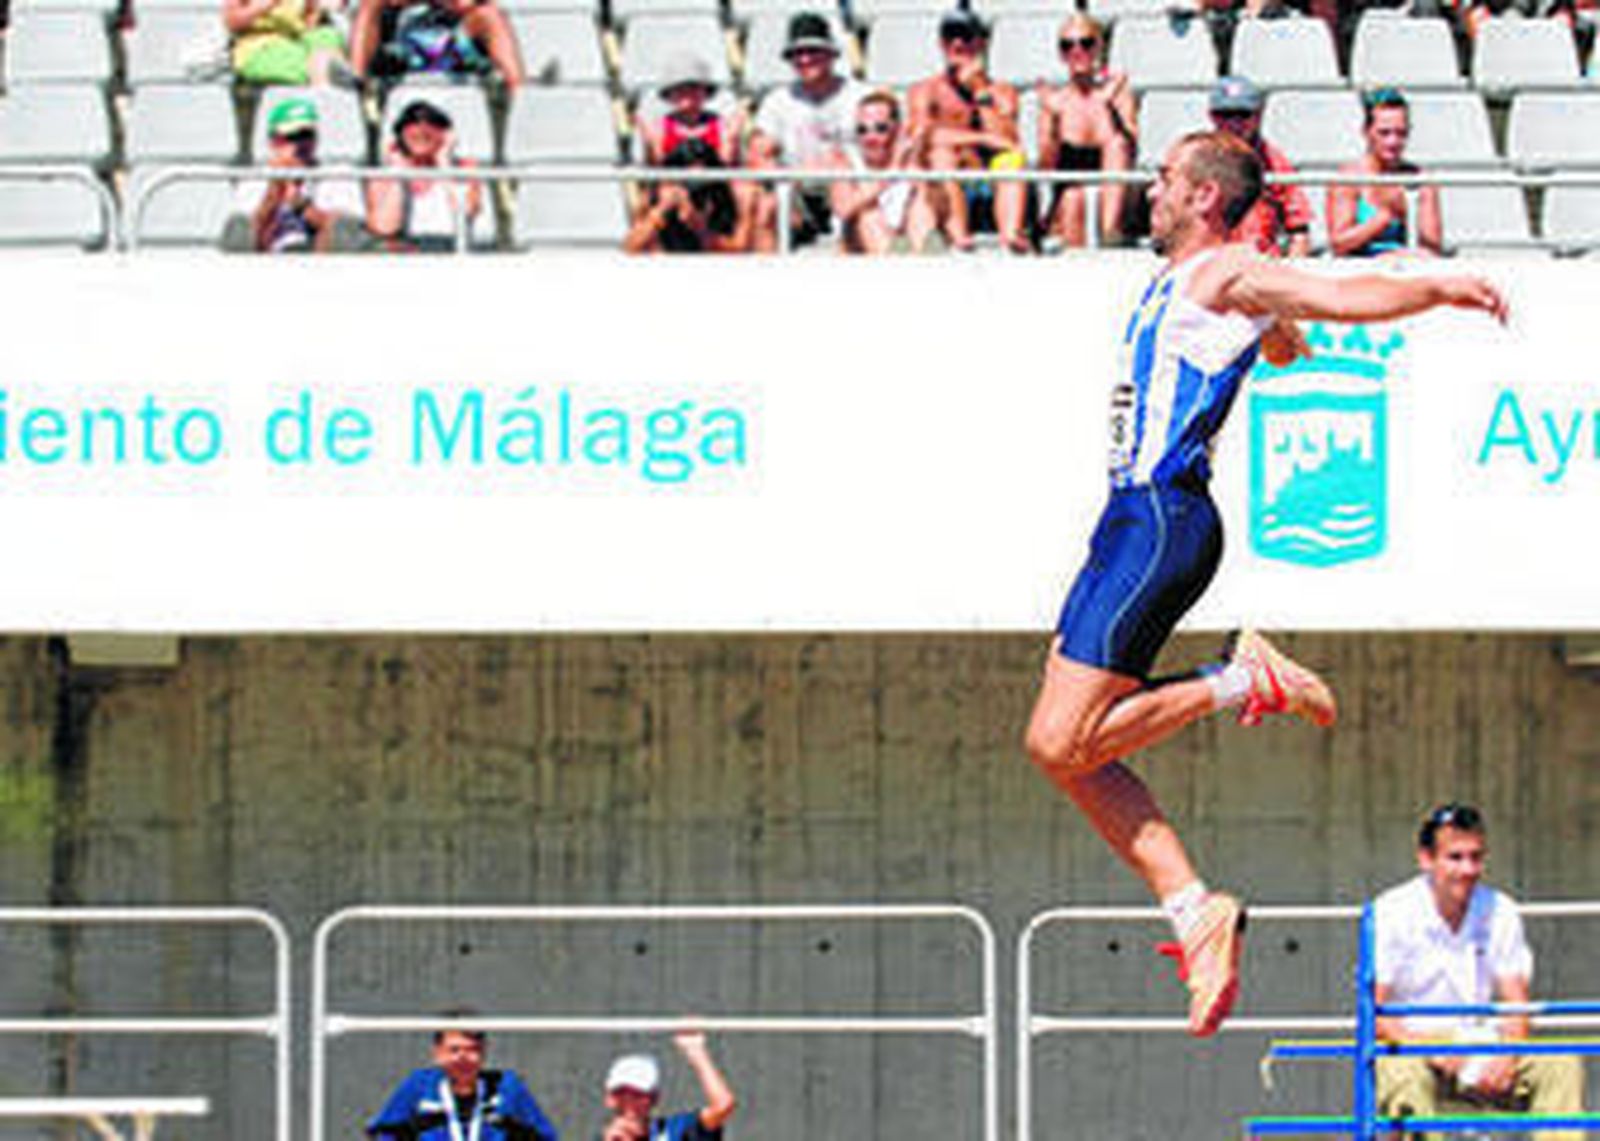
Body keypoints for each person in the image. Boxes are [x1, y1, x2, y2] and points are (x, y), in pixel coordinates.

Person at [1022, 129, 1507, 1039]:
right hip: (1129, 520)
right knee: (1063, 748)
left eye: (1166, 178)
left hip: (1159, 520)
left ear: (1207, 197)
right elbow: (1284, 348)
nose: (1151, 189)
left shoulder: (1225, 269)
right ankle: (1191, 906)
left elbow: (1338, 296)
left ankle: (1245, 678)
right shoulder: (1206, 284)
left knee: (1064, 739)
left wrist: (1438, 285)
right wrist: (1268, 322)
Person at [1374, 804, 1586, 1140]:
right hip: (1414, 1042)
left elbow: (1516, 1001)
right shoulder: (1390, 912)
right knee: (1405, 1077)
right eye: (1455, 858)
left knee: (1560, 1064)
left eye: (1476, 857)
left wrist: (1509, 1053)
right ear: (1426, 860)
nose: (1468, 869)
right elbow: (1376, 1013)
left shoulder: (1500, 910)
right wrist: (1428, 1049)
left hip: (1480, 1039)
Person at [907, 9, 1031, 254]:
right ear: (941, 43)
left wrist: (979, 90)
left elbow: (1008, 141)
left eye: (966, 36)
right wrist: (983, 138)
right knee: (941, 155)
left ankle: (1011, 238)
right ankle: (960, 239)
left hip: (987, 176)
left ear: (981, 43)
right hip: (947, 175)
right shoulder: (925, 91)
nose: (958, 43)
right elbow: (924, 136)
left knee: (1011, 162)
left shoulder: (1001, 92)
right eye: (950, 36)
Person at [749, 12, 870, 249]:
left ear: (831, 55)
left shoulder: (861, 96)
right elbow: (758, 154)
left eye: (813, 51)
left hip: (851, 185)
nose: (804, 59)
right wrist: (787, 190)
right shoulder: (777, 100)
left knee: (851, 195)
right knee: (765, 207)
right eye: (797, 54)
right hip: (799, 189)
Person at [1037, 13, 1136, 248]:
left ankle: (1111, 232)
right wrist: (1052, 119)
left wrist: (1109, 107)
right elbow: (1046, 165)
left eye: (1086, 43)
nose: (1077, 50)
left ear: (1099, 47)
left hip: (1117, 189)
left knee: (1116, 145)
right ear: (1061, 54)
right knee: (1073, 200)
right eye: (1068, 45)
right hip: (1068, 183)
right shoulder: (1056, 101)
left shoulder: (1118, 94)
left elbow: (1131, 149)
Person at [367, 1026, 560, 1140]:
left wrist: (515, 1130)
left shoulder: (507, 1086)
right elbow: (382, 1134)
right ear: (437, 1054)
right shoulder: (418, 1085)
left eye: (472, 1050)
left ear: (483, 1054)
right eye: (454, 1050)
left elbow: (546, 1137)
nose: (463, 1058)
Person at [229, 97, 364, 252]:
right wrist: (273, 196)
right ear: (273, 142)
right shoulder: (253, 179)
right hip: (265, 263)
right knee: (241, 230)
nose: (300, 145)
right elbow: (246, 237)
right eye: (291, 137)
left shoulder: (338, 175)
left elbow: (346, 232)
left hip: (321, 264)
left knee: (341, 228)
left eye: (306, 135)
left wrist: (303, 207)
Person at [1327, 88, 1442, 258]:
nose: (1393, 142)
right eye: (1384, 133)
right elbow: (1339, 245)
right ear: (1366, 132)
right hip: (1357, 271)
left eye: (1401, 133)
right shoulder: (1348, 179)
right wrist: (1383, 219)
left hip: (1406, 268)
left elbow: (1432, 249)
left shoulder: (1420, 181)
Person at [1206, 75, 1311, 258]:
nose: (1233, 124)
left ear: (1258, 116)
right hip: (1210, 263)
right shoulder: (1195, 159)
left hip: (1261, 266)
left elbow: (1299, 229)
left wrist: (1289, 268)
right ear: (1211, 117)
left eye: (1243, 115)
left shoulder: (1274, 161)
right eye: (1224, 114)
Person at [366, 98, 483, 253]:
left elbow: (466, 213)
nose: (421, 130)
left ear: (446, 133)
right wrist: (398, 173)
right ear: (400, 134)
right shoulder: (385, 176)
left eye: (431, 123)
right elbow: (385, 228)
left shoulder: (463, 168)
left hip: (449, 251)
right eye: (412, 123)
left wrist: (443, 162)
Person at [830, 89, 939, 254]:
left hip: (903, 235)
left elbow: (933, 203)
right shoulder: (845, 160)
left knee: (920, 207)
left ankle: (925, 258)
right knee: (868, 214)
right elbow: (844, 209)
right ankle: (895, 260)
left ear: (897, 129)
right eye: (862, 129)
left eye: (880, 128)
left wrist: (912, 156)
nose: (870, 137)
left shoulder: (911, 161)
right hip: (859, 245)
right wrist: (893, 170)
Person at [624, 137, 759, 254]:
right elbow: (631, 247)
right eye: (687, 181)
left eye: (701, 182)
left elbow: (740, 249)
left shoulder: (731, 196)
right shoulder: (655, 196)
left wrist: (700, 229)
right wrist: (662, 209)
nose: (694, 189)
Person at [349, 0, 525, 85]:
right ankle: (357, 81)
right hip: (404, 49)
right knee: (370, 3)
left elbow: (466, 3)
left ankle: (518, 90)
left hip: (453, 45)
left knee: (490, 16)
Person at [600, 1031, 736, 1141]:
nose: (630, 1103)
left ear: (654, 1098)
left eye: (638, 1095)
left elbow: (722, 1105)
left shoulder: (676, 1130)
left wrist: (695, 1051)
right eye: (621, 1094)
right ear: (609, 1099)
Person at [636, 54, 740, 169]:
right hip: (674, 183)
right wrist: (649, 144)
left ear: (705, 92)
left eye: (693, 87)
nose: (687, 93)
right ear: (670, 94)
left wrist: (731, 139)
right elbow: (656, 167)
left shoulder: (721, 125)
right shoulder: (660, 127)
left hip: (713, 184)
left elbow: (726, 164)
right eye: (680, 88)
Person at [224, 0, 350, 86]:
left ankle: (331, 74)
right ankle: (327, 83)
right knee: (319, 67)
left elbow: (310, 18)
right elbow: (232, 22)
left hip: (296, 42)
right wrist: (263, 6)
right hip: (260, 47)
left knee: (327, 36)